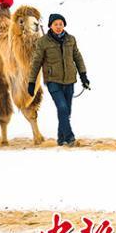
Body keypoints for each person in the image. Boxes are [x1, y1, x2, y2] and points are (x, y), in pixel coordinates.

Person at [28, 13, 90, 147]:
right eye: (55, 24)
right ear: (50, 26)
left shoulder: (71, 40)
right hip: (53, 80)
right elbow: (36, 62)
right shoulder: (43, 42)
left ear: (64, 25)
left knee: (67, 111)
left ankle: (61, 139)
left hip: (69, 80)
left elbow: (77, 58)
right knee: (62, 108)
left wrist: (83, 76)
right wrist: (31, 82)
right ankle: (70, 137)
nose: (58, 27)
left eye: (60, 24)